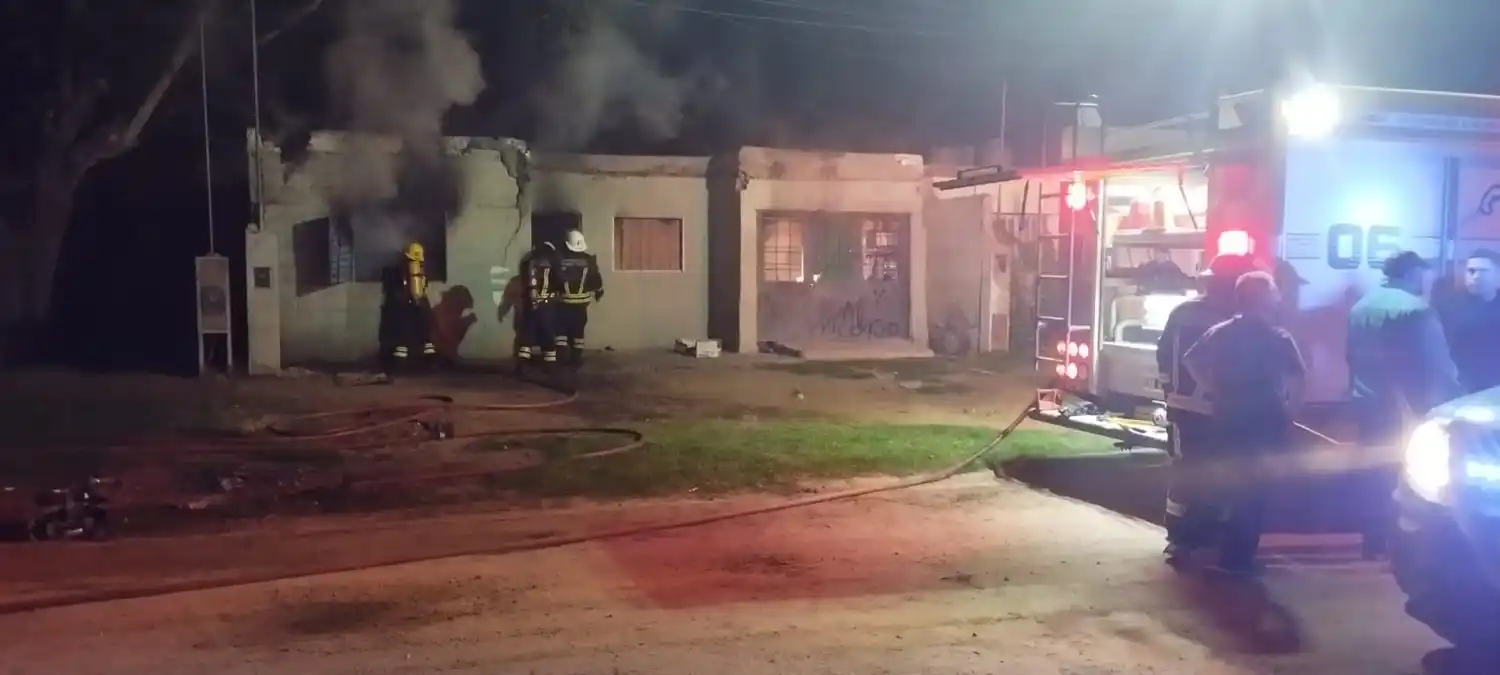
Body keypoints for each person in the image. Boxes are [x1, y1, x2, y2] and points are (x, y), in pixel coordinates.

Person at [1183, 271, 1307, 577]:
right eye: (1274, 291)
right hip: (1265, 419)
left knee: (1229, 484)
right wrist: (1292, 408)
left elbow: (1191, 360)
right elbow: (1298, 376)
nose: (1279, 296)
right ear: (1263, 298)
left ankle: (1197, 543)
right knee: (1256, 490)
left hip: (1228, 416)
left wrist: (1213, 388)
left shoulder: (1222, 332)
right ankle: (1237, 559)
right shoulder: (1277, 337)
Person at [1347, 251, 1463, 558]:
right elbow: (1436, 362)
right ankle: (1401, 544)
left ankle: (1371, 541)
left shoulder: (1361, 307)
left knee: (1372, 473)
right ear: (1412, 273)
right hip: (1407, 407)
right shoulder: (1416, 309)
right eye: (1422, 274)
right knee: (1409, 475)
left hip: (1366, 400)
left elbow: (1351, 356)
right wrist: (1456, 396)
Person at [1155, 253, 1257, 564]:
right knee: (1214, 472)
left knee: (1186, 468)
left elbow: (1163, 356)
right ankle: (1197, 536)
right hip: (1213, 407)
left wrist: (1170, 392)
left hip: (1181, 406)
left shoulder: (1182, 311)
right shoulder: (1228, 320)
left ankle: (1179, 535)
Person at [1437, 249, 1500, 393]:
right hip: (1459, 386)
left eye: (1484, 271)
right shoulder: (1448, 307)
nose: (1476, 277)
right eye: (1471, 271)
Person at [382, 241, 437, 375]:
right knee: (425, 337)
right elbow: (424, 285)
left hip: (406, 305)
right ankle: (430, 364)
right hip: (421, 303)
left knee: (403, 338)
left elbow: (395, 291)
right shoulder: (421, 268)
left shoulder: (401, 269)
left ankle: (399, 367)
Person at [555, 228, 604, 367]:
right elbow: (596, 281)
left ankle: (560, 359)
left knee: (561, 331)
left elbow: (554, 279)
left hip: (564, 302)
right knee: (578, 332)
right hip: (581, 304)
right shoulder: (589, 260)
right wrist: (598, 292)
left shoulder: (559, 260)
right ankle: (576, 359)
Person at [516, 240, 563, 370]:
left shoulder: (528, 259)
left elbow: (524, 280)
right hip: (546, 304)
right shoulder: (553, 259)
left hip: (529, 303)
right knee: (547, 332)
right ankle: (550, 365)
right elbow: (559, 279)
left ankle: (522, 364)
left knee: (527, 332)